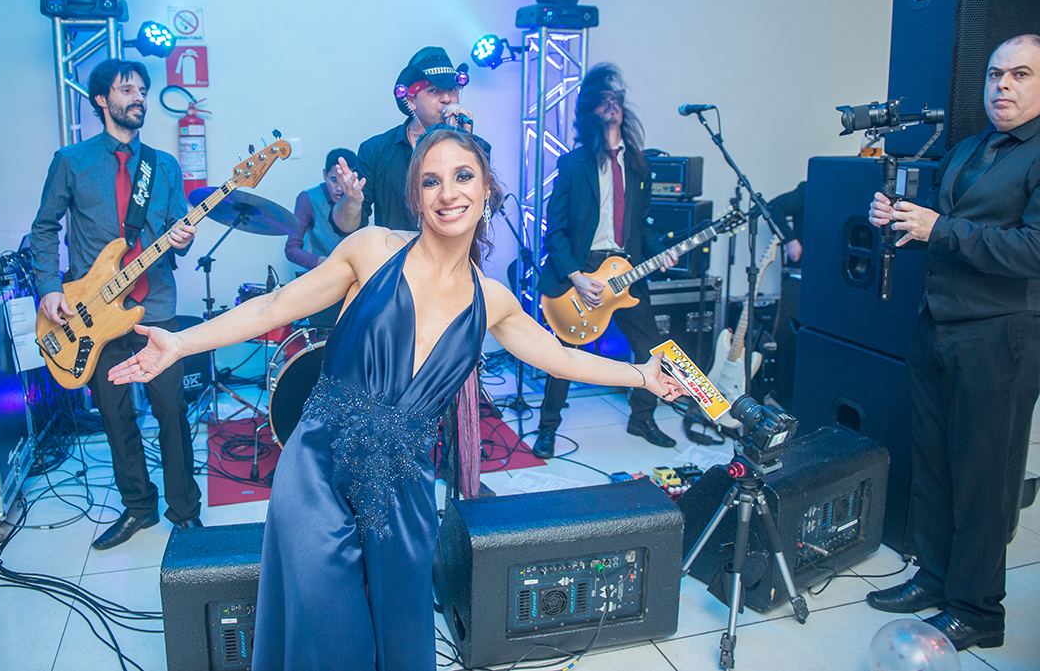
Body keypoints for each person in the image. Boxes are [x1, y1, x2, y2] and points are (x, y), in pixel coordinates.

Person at [107, 127, 685, 669]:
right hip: (318, 466)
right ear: (416, 197)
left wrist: (642, 375)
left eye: (463, 176)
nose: (448, 192)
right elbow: (274, 306)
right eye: (431, 181)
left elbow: (561, 357)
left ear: (487, 189)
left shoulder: (493, 300)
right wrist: (178, 343)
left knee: (401, 635)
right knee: (331, 630)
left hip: (402, 487)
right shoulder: (372, 249)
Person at [866, 34, 1040, 651]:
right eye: (995, 74)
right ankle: (936, 577)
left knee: (984, 477)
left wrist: (940, 228)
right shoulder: (969, 148)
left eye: (1020, 74)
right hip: (939, 324)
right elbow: (942, 229)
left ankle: (977, 609)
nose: (1003, 85)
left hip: (1001, 335)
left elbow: (1033, 249)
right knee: (936, 464)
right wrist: (901, 219)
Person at [31, 58, 202, 550]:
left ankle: (185, 512)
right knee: (115, 414)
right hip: (93, 313)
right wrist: (50, 286)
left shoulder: (163, 166)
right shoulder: (71, 160)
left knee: (172, 410)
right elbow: (44, 228)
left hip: (156, 305)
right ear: (102, 99)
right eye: (127, 89)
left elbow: (176, 231)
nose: (139, 97)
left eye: (142, 89)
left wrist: (184, 237)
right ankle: (138, 507)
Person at [532, 63, 679, 459]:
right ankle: (547, 427)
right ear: (589, 112)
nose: (611, 105)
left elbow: (641, 226)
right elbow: (554, 232)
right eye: (602, 100)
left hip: (628, 270)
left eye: (615, 99)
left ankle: (642, 418)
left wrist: (661, 253)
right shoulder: (573, 164)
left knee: (650, 348)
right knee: (564, 355)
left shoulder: (639, 165)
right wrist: (577, 277)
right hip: (583, 271)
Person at [331, 46, 482, 234]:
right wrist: (352, 202)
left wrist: (465, 143)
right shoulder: (375, 150)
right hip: (397, 252)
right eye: (434, 90)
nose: (446, 98)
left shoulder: (475, 146)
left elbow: (485, 211)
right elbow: (346, 228)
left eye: (452, 89)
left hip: (453, 252)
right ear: (411, 101)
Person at [283, 147, 358, 270]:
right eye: (334, 180)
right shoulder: (308, 199)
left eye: (345, 182)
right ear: (325, 175)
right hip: (322, 271)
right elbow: (292, 248)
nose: (339, 188)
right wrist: (321, 262)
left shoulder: (359, 197)